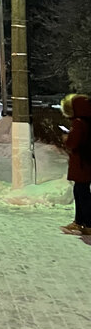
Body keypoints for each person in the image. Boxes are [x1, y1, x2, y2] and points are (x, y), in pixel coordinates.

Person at [60, 93, 91, 235]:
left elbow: (74, 142)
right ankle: (81, 222)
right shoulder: (88, 121)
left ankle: (84, 223)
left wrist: (67, 138)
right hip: (86, 162)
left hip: (81, 163)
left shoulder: (78, 123)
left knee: (81, 193)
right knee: (81, 192)